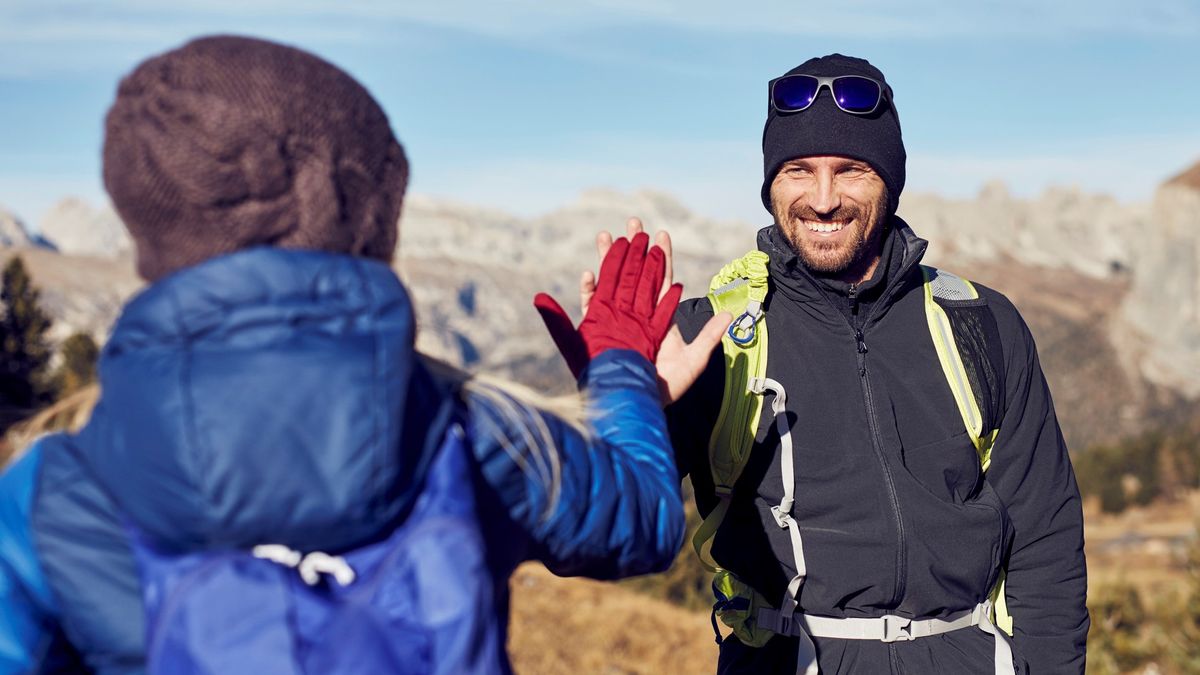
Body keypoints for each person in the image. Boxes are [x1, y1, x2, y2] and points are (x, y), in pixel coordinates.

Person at [0, 35, 728, 674]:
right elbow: (645, 515)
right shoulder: (471, 431)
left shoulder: (51, 491)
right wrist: (621, 371)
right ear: (364, 219)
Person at [553, 54, 1089, 674]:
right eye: (798, 171)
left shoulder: (981, 324)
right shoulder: (708, 339)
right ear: (770, 184)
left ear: (889, 181)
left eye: (852, 170)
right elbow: (588, 544)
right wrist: (618, 398)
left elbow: (1045, 543)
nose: (824, 199)